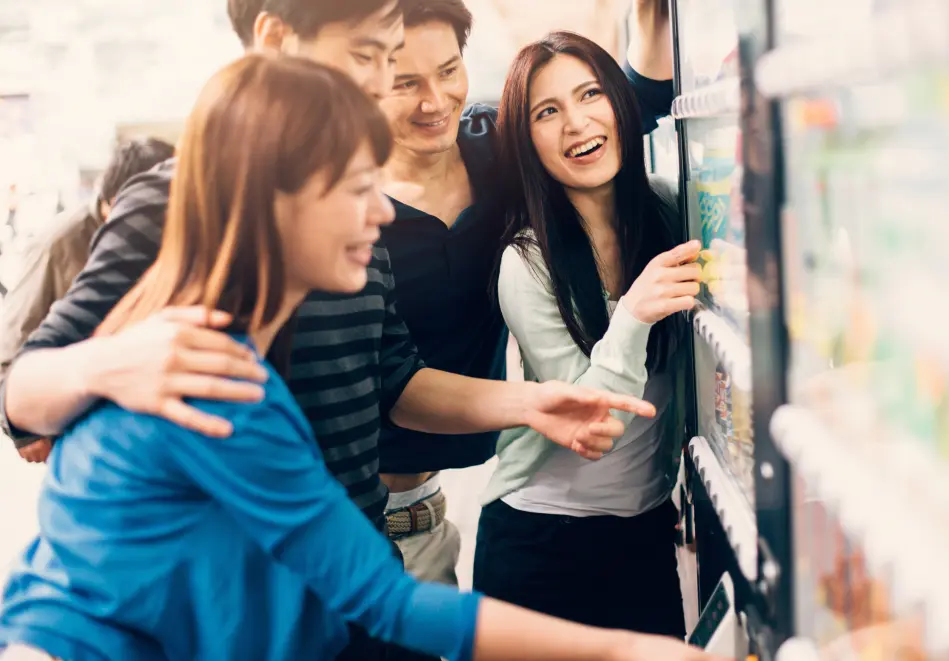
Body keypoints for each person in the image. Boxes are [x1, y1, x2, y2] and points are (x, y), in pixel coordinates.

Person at [0, 54, 725, 661]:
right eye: (357, 190)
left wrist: (531, 402)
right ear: (272, 202)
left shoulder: (243, 362)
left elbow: (396, 385)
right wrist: (620, 649)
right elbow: (383, 599)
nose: (383, 211)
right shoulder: (214, 382)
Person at [375, 0, 678, 586]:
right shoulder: (349, 213)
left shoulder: (495, 147)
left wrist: (650, 15)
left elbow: (619, 108)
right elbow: (396, 384)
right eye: (404, 83)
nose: (434, 101)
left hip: (436, 507)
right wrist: (537, 407)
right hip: (354, 506)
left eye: (447, 71)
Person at [472, 31, 703, 637]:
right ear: (527, 143)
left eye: (590, 94)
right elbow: (593, 428)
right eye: (547, 112)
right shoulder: (525, 261)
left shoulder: (670, 209)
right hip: (540, 543)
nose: (577, 124)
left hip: (646, 528)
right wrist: (633, 314)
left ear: (620, 105)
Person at [0, 137, 175, 464]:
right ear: (115, 202)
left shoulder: (172, 229)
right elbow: (13, 339)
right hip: (80, 424)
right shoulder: (58, 244)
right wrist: (25, 431)